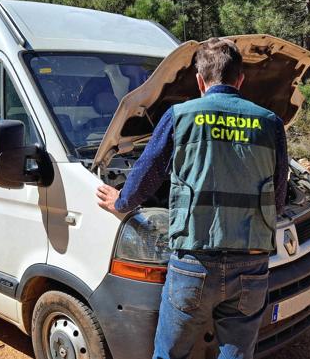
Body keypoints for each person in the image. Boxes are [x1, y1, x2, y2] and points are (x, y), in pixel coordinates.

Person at [96, 38, 288, 359]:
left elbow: (147, 174)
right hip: (252, 263)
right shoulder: (270, 123)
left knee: (171, 355)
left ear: (200, 80)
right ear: (240, 80)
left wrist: (120, 203)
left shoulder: (180, 115)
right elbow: (278, 199)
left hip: (194, 262)